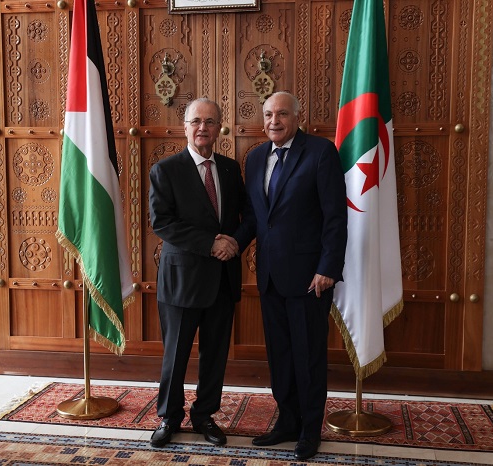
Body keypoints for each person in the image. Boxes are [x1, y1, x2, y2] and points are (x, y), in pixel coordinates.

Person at [230, 91, 348, 460]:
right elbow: (255, 217)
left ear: (298, 117)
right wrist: (233, 243)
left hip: (310, 278)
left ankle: (310, 430)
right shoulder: (255, 157)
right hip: (269, 276)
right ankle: (287, 422)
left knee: (308, 356)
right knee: (280, 355)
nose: (274, 121)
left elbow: (335, 216)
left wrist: (328, 268)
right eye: (268, 114)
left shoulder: (320, 152)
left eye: (282, 114)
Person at [148, 98, 245, 448]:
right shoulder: (166, 170)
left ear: (219, 128)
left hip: (222, 278)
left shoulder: (231, 169)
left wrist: (234, 242)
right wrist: (210, 243)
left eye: (210, 121)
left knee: (215, 356)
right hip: (182, 281)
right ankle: (169, 417)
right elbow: (162, 222)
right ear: (185, 127)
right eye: (196, 121)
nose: (203, 127)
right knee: (175, 355)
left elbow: (246, 215)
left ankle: (204, 415)